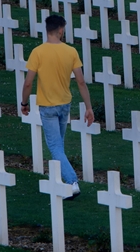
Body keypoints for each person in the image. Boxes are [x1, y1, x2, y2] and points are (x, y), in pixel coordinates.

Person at [21, 15, 94, 199]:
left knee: (54, 146)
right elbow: (81, 81)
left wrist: (24, 103)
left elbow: (28, 83)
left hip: (47, 106)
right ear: (61, 30)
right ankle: (60, 181)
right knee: (58, 146)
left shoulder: (37, 52)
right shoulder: (71, 52)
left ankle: (72, 182)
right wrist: (88, 107)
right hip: (64, 105)